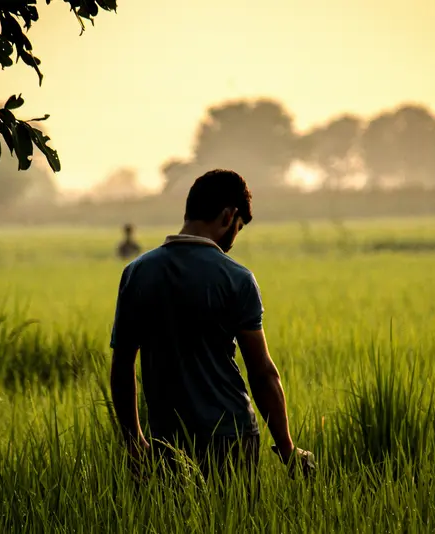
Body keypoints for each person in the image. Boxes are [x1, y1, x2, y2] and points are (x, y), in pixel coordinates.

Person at [109, 169, 315, 490]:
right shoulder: (236, 278)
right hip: (232, 438)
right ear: (228, 216)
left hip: (167, 438)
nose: (234, 238)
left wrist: (133, 438)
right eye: (238, 227)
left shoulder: (136, 272)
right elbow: (262, 374)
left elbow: (122, 366)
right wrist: (287, 448)